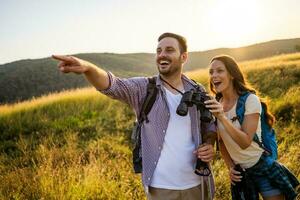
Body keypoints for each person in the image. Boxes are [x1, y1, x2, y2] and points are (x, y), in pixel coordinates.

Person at [52, 32, 217, 200]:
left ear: (183, 57)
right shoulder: (144, 89)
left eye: (169, 50)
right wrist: (88, 68)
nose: (162, 55)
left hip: (197, 184)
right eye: (158, 51)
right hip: (161, 189)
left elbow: (209, 124)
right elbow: (113, 85)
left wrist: (210, 144)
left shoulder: (197, 90)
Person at [205, 55, 299, 200]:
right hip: (241, 174)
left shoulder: (250, 100)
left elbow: (245, 142)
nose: (214, 76)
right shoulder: (215, 104)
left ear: (231, 74)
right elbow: (222, 143)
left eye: (219, 71)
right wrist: (230, 167)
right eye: (211, 72)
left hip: (263, 168)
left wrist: (222, 117)